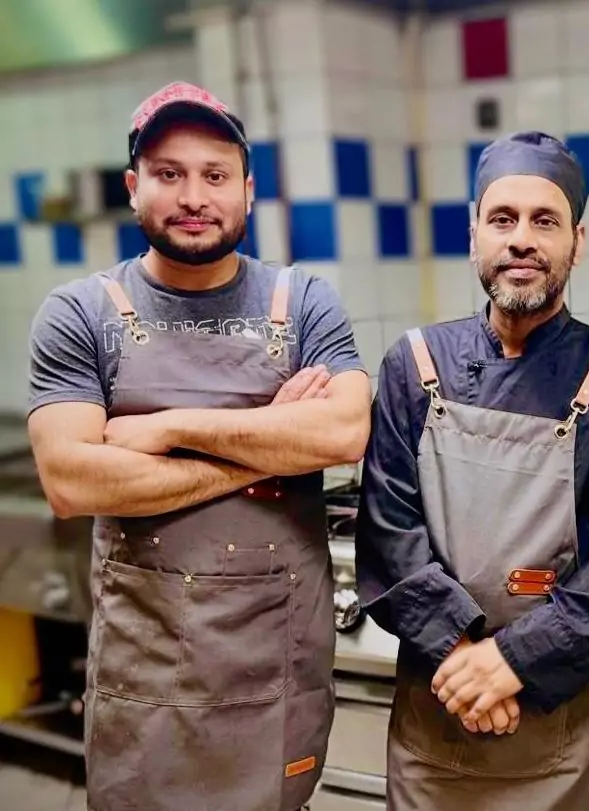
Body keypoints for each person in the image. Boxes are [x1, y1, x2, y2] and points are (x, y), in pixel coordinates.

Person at [26, 81, 372, 811]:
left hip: (274, 682)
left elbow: (343, 432)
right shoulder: (80, 312)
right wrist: (270, 443)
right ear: (133, 186)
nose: (193, 195)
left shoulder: (303, 302)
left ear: (246, 189)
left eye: (215, 175)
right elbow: (71, 481)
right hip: (144, 690)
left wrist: (165, 430)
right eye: (168, 173)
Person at [354, 130, 589, 810]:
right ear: (474, 237)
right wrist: (471, 655)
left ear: (577, 242)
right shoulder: (413, 365)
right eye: (503, 219)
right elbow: (387, 533)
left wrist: (515, 661)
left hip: (563, 734)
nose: (522, 239)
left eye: (544, 220)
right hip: (439, 706)